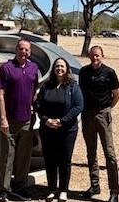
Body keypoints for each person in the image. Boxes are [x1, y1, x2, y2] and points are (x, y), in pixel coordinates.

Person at [0, 37, 39, 202]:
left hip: (27, 120)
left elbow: (34, 91)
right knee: (7, 156)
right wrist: (3, 118)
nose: (24, 52)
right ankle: (4, 189)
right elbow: (0, 93)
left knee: (23, 156)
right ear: (16, 50)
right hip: (10, 120)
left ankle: (20, 186)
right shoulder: (6, 68)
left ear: (30, 51)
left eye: (27, 49)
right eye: (21, 49)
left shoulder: (33, 68)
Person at [35, 57, 83, 202]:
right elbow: (38, 105)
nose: (59, 69)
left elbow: (78, 107)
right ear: (53, 69)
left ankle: (63, 190)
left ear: (67, 68)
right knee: (49, 160)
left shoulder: (73, 86)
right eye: (57, 66)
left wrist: (62, 121)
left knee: (64, 160)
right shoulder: (46, 86)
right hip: (47, 129)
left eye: (62, 66)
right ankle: (51, 189)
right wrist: (46, 120)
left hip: (67, 130)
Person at [79, 45, 119, 202]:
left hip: (103, 113)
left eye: (97, 56)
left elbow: (116, 95)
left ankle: (114, 191)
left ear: (102, 56)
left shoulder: (109, 72)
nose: (95, 58)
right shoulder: (84, 72)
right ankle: (94, 185)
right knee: (91, 152)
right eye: (92, 56)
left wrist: (107, 109)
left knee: (109, 154)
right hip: (87, 115)